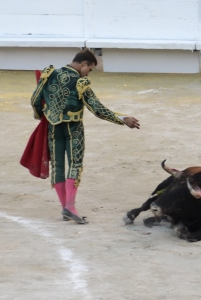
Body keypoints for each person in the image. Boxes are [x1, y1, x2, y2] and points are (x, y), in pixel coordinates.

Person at [30, 50, 140, 223]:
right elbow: (98, 109)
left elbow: (35, 99)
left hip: (53, 128)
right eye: (90, 69)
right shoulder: (80, 82)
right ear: (84, 64)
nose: (89, 73)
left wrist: (41, 117)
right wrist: (123, 119)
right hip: (73, 129)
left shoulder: (50, 74)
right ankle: (70, 207)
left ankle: (65, 208)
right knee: (75, 164)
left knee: (58, 166)